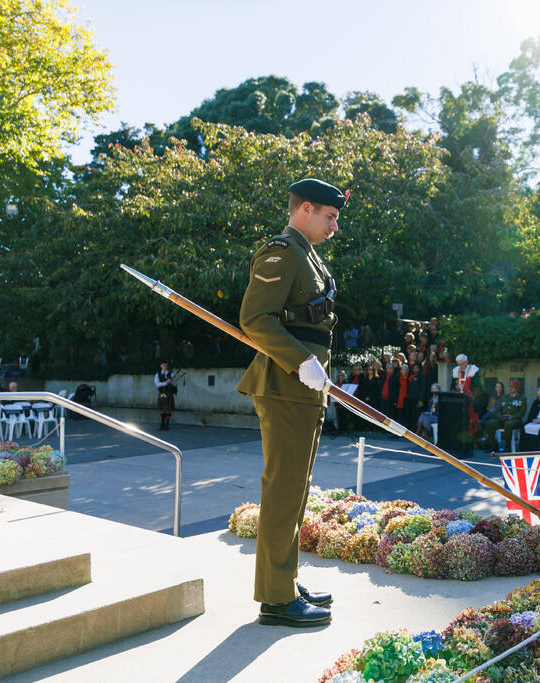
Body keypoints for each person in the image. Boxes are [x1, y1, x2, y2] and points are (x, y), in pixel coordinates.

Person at [235, 177, 343, 627]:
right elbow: (254, 319)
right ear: (305, 209)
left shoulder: (307, 254)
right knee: (282, 493)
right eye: (330, 216)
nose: (335, 226)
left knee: (295, 493)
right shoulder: (282, 251)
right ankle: (276, 600)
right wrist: (302, 361)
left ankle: (284, 578)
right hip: (285, 385)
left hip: (302, 387)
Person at [486, 380, 526, 451]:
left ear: (517, 388)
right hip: (503, 419)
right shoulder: (505, 397)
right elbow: (498, 410)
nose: (510, 388)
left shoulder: (522, 398)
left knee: (508, 424)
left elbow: (521, 413)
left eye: (513, 387)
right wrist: (500, 417)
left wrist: (510, 417)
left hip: (514, 421)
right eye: (510, 387)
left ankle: (508, 447)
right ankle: (494, 446)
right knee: (490, 423)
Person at [154, 361, 177, 431]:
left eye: (166, 365)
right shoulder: (157, 375)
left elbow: (176, 384)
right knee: (162, 410)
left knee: (168, 410)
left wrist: (172, 382)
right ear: (161, 366)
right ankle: (162, 424)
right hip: (162, 393)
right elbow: (157, 384)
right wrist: (166, 382)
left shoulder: (172, 374)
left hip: (169, 393)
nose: (165, 366)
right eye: (163, 365)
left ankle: (167, 425)